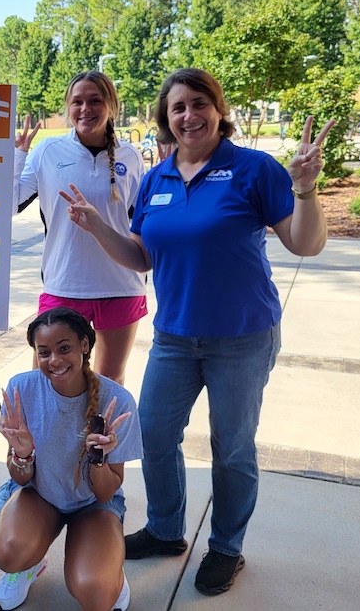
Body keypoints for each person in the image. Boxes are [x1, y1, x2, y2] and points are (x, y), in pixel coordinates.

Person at [61, 67, 334, 596]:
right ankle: (166, 529)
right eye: (178, 107)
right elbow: (141, 256)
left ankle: (227, 547)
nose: (189, 115)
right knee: (156, 434)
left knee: (231, 447)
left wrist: (305, 190)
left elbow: (306, 244)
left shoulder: (253, 170)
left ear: (219, 109)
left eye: (199, 103)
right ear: (166, 117)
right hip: (175, 337)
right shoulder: (158, 178)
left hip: (242, 337)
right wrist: (97, 224)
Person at [0, 70, 147, 522]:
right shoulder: (49, 150)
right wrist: (14, 156)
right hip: (63, 287)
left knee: (107, 389)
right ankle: (23, 470)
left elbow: (141, 226)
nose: (85, 109)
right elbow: (4, 201)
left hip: (119, 287)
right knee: (43, 385)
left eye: (94, 101)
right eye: (77, 101)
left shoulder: (131, 157)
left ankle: (101, 478)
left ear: (111, 105)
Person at [0, 308, 141, 611]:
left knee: (96, 592)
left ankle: (111, 570)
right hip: (41, 495)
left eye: (64, 348)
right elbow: (20, 478)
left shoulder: (118, 401)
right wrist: (22, 453)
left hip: (94, 505)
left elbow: (106, 492)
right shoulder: (21, 389)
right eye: (44, 352)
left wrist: (98, 458)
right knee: (9, 553)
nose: (54, 361)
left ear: (84, 344)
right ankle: (30, 565)